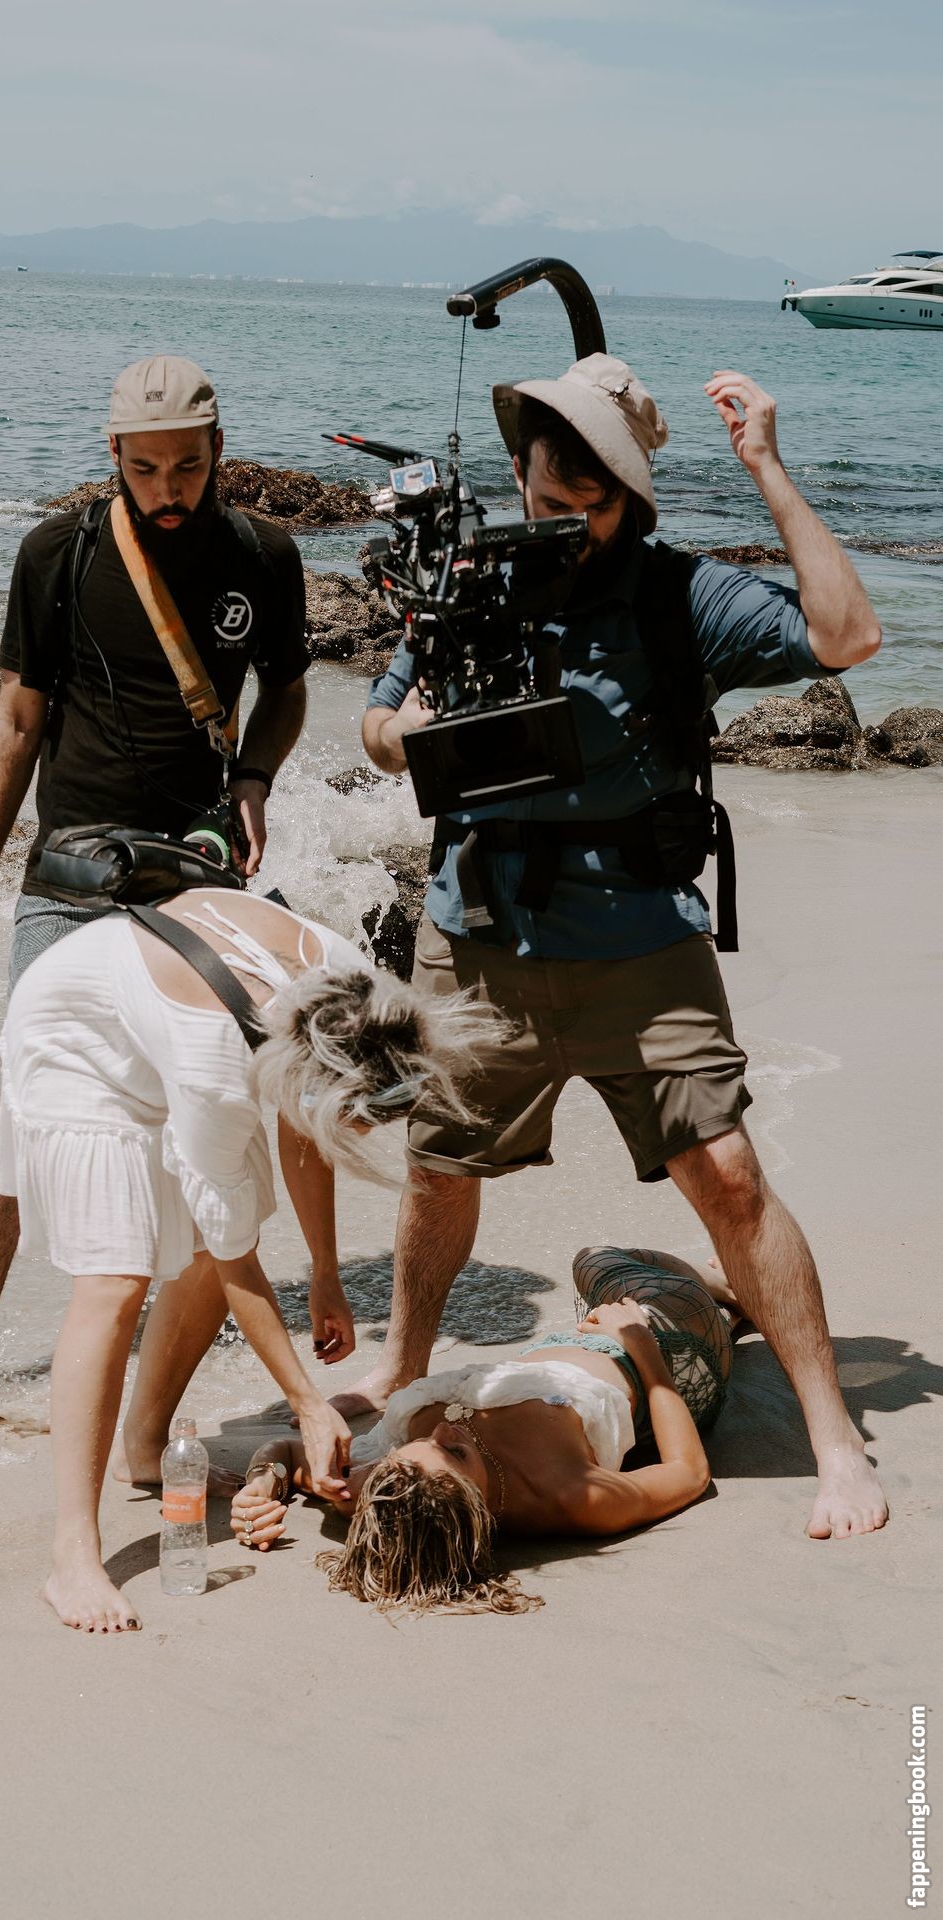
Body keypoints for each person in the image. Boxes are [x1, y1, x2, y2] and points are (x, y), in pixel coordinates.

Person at [360, 358, 887, 1541]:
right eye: (546, 503)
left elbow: (849, 634)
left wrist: (766, 467)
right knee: (440, 1170)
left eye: (589, 510)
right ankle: (401, 1371)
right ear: (520, 478)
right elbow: (377, 721)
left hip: (640, 942)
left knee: (730, 1175)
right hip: (479, 934)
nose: (564, 529)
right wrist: (404, 732)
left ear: (630, 500)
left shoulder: (677, 595)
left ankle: (832, 1432)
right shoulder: (471, 580)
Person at [0, 355, 312, 1443]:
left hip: (198, 877)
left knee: (202, 1108)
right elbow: (17, 716)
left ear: (219, 450)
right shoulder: (59, 554)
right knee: (25, 1107)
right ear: (113, 455)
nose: (167, 489)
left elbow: (286, 687)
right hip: (71, 872)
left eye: (186, 467)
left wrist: (253, 775)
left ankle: (144, 1373)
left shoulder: (263, 557)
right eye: (145, 470)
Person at [0, 883, 496, 1631]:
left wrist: (325, 1271)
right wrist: (307, 1404)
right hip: (78, 1037)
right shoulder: (215, 1073)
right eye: (356, 1119)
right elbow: (239, 1263)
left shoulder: (350, 991)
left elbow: (301, 1126)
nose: (359, 1134)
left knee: (212, 1235)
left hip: (163, 1014)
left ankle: (144, 1447)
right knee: (115, 1281)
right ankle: (72, 1556)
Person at [228, 1245, 741, 1613]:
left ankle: (729, 1305)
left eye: (410, 1448)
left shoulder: (389, 1495)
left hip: (577, 1340)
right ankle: (730, 1294)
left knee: (597, 1270)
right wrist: (640, 1343)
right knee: (597, 1261)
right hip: (671, 1356)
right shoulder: (568, 1497)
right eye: (455, 1453)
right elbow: (689, 1472)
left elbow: (290, 1452)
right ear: (473, 1509)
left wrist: (262, 1484)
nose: (442, 1431)